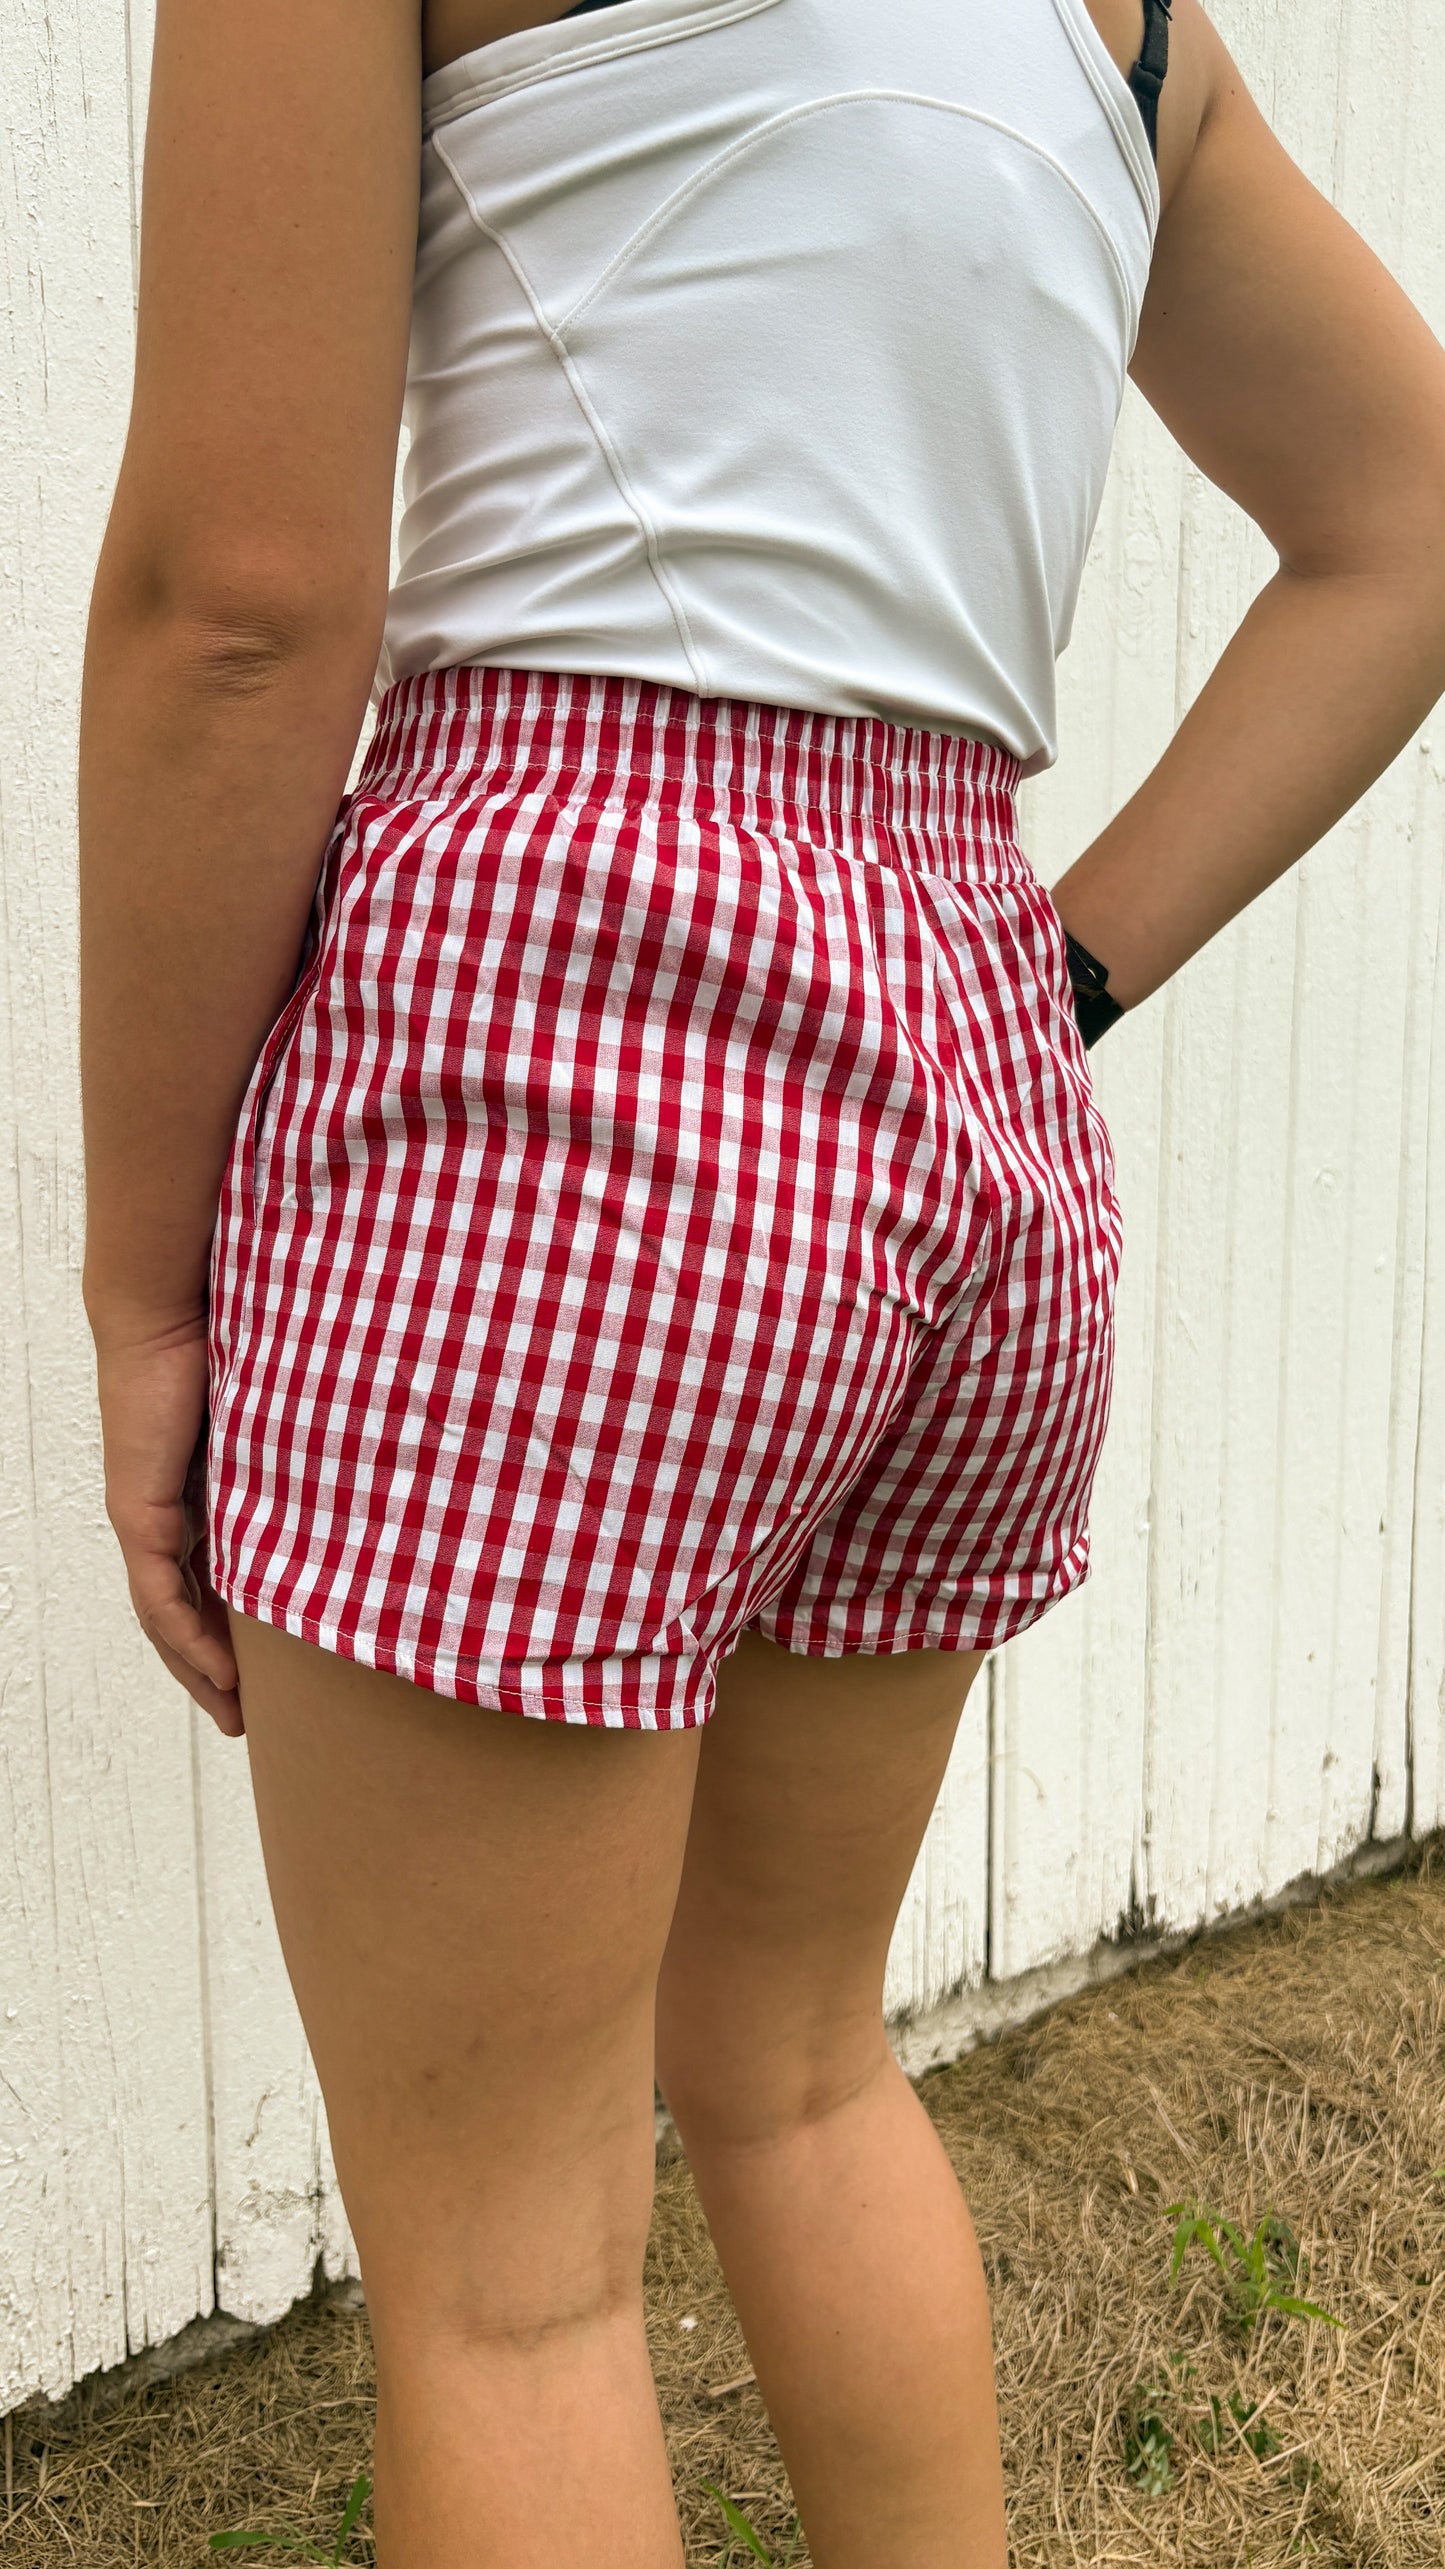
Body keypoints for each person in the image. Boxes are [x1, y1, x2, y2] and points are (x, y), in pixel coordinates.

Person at [77, 0, 1445, 2557]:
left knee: (511, 2286)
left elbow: (239, 606)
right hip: (967, 1104)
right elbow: (1414, 510)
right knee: (808, 2068)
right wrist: (1060, 980)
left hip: (568, 1035)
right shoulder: (1123, 30)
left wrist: (145, 1285)